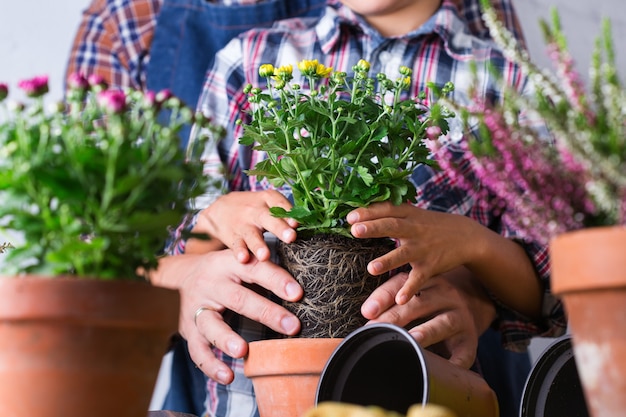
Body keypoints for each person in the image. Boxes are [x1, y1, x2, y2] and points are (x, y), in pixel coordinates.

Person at [65, 1, 552, 416]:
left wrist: (471, 254)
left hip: (419, 383)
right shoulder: (249, 56)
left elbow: (543, 277)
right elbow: (168, 246)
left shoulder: (503, 76)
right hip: (243, 392)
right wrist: (198, 252)